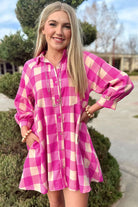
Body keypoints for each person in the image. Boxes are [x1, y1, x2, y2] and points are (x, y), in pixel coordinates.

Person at [14, 1, 134, 207]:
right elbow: (23, 104)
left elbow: (123, 83)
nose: (59, 31)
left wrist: (93, 108)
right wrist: (26, 132)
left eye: (66, 26)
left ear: (72, 32)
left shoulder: (83, 62)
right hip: (46, 149)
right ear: (43, 28)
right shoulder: (31, 68)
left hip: (74, 150)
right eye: (53, 24)